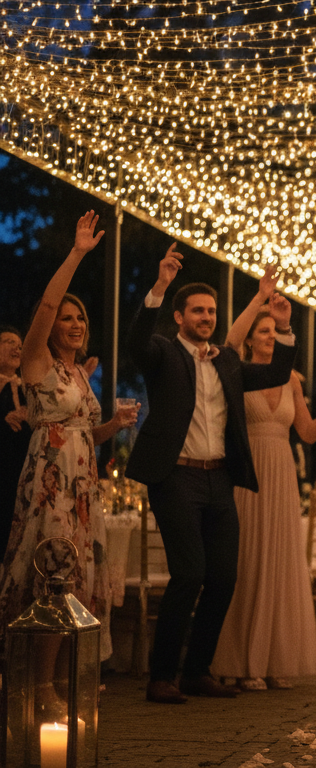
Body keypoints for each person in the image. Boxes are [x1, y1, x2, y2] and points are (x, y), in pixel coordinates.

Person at [125, 243, 298, 704]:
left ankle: (196, 671)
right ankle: (161, 676)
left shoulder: (226, 360)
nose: (205, 317)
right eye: (197, 311)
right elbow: (136, 343)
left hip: (219, 479)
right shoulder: (164, 353)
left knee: (223, 577)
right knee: (190, 574)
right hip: (176, 477)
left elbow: (279, 370)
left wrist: (282, 326)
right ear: (180, 317)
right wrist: (161, 285)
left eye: (210, 311)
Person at [0, 212, 138, 710]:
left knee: (75, 583)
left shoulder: (80, 373)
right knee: (51, 577)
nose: (75, 324)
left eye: (81, 319)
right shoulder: (38, 362)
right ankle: (36, 687)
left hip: (83, 488)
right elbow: (46, 304)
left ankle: (57, 684)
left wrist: (114, 428)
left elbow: (85, 435)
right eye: (68, 318)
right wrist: (78, 254)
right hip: (50, 486)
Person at [211, 277, 316, 690]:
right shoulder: (236, 372)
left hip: (282, 475)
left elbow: (305, 433)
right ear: (252, 339)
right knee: (247, 561)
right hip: (246, 475)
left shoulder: (292, 381)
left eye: (275, 331)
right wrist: (258, 300)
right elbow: (229, 341)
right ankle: (242, 661)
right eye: (264, 331)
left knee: (280, 562)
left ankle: (274, 659)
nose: (270, 337)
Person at [1, 324, 33, 558]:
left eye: (20, 345)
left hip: (21, 480)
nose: (17, 347)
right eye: (9, 342)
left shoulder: (27, 390)